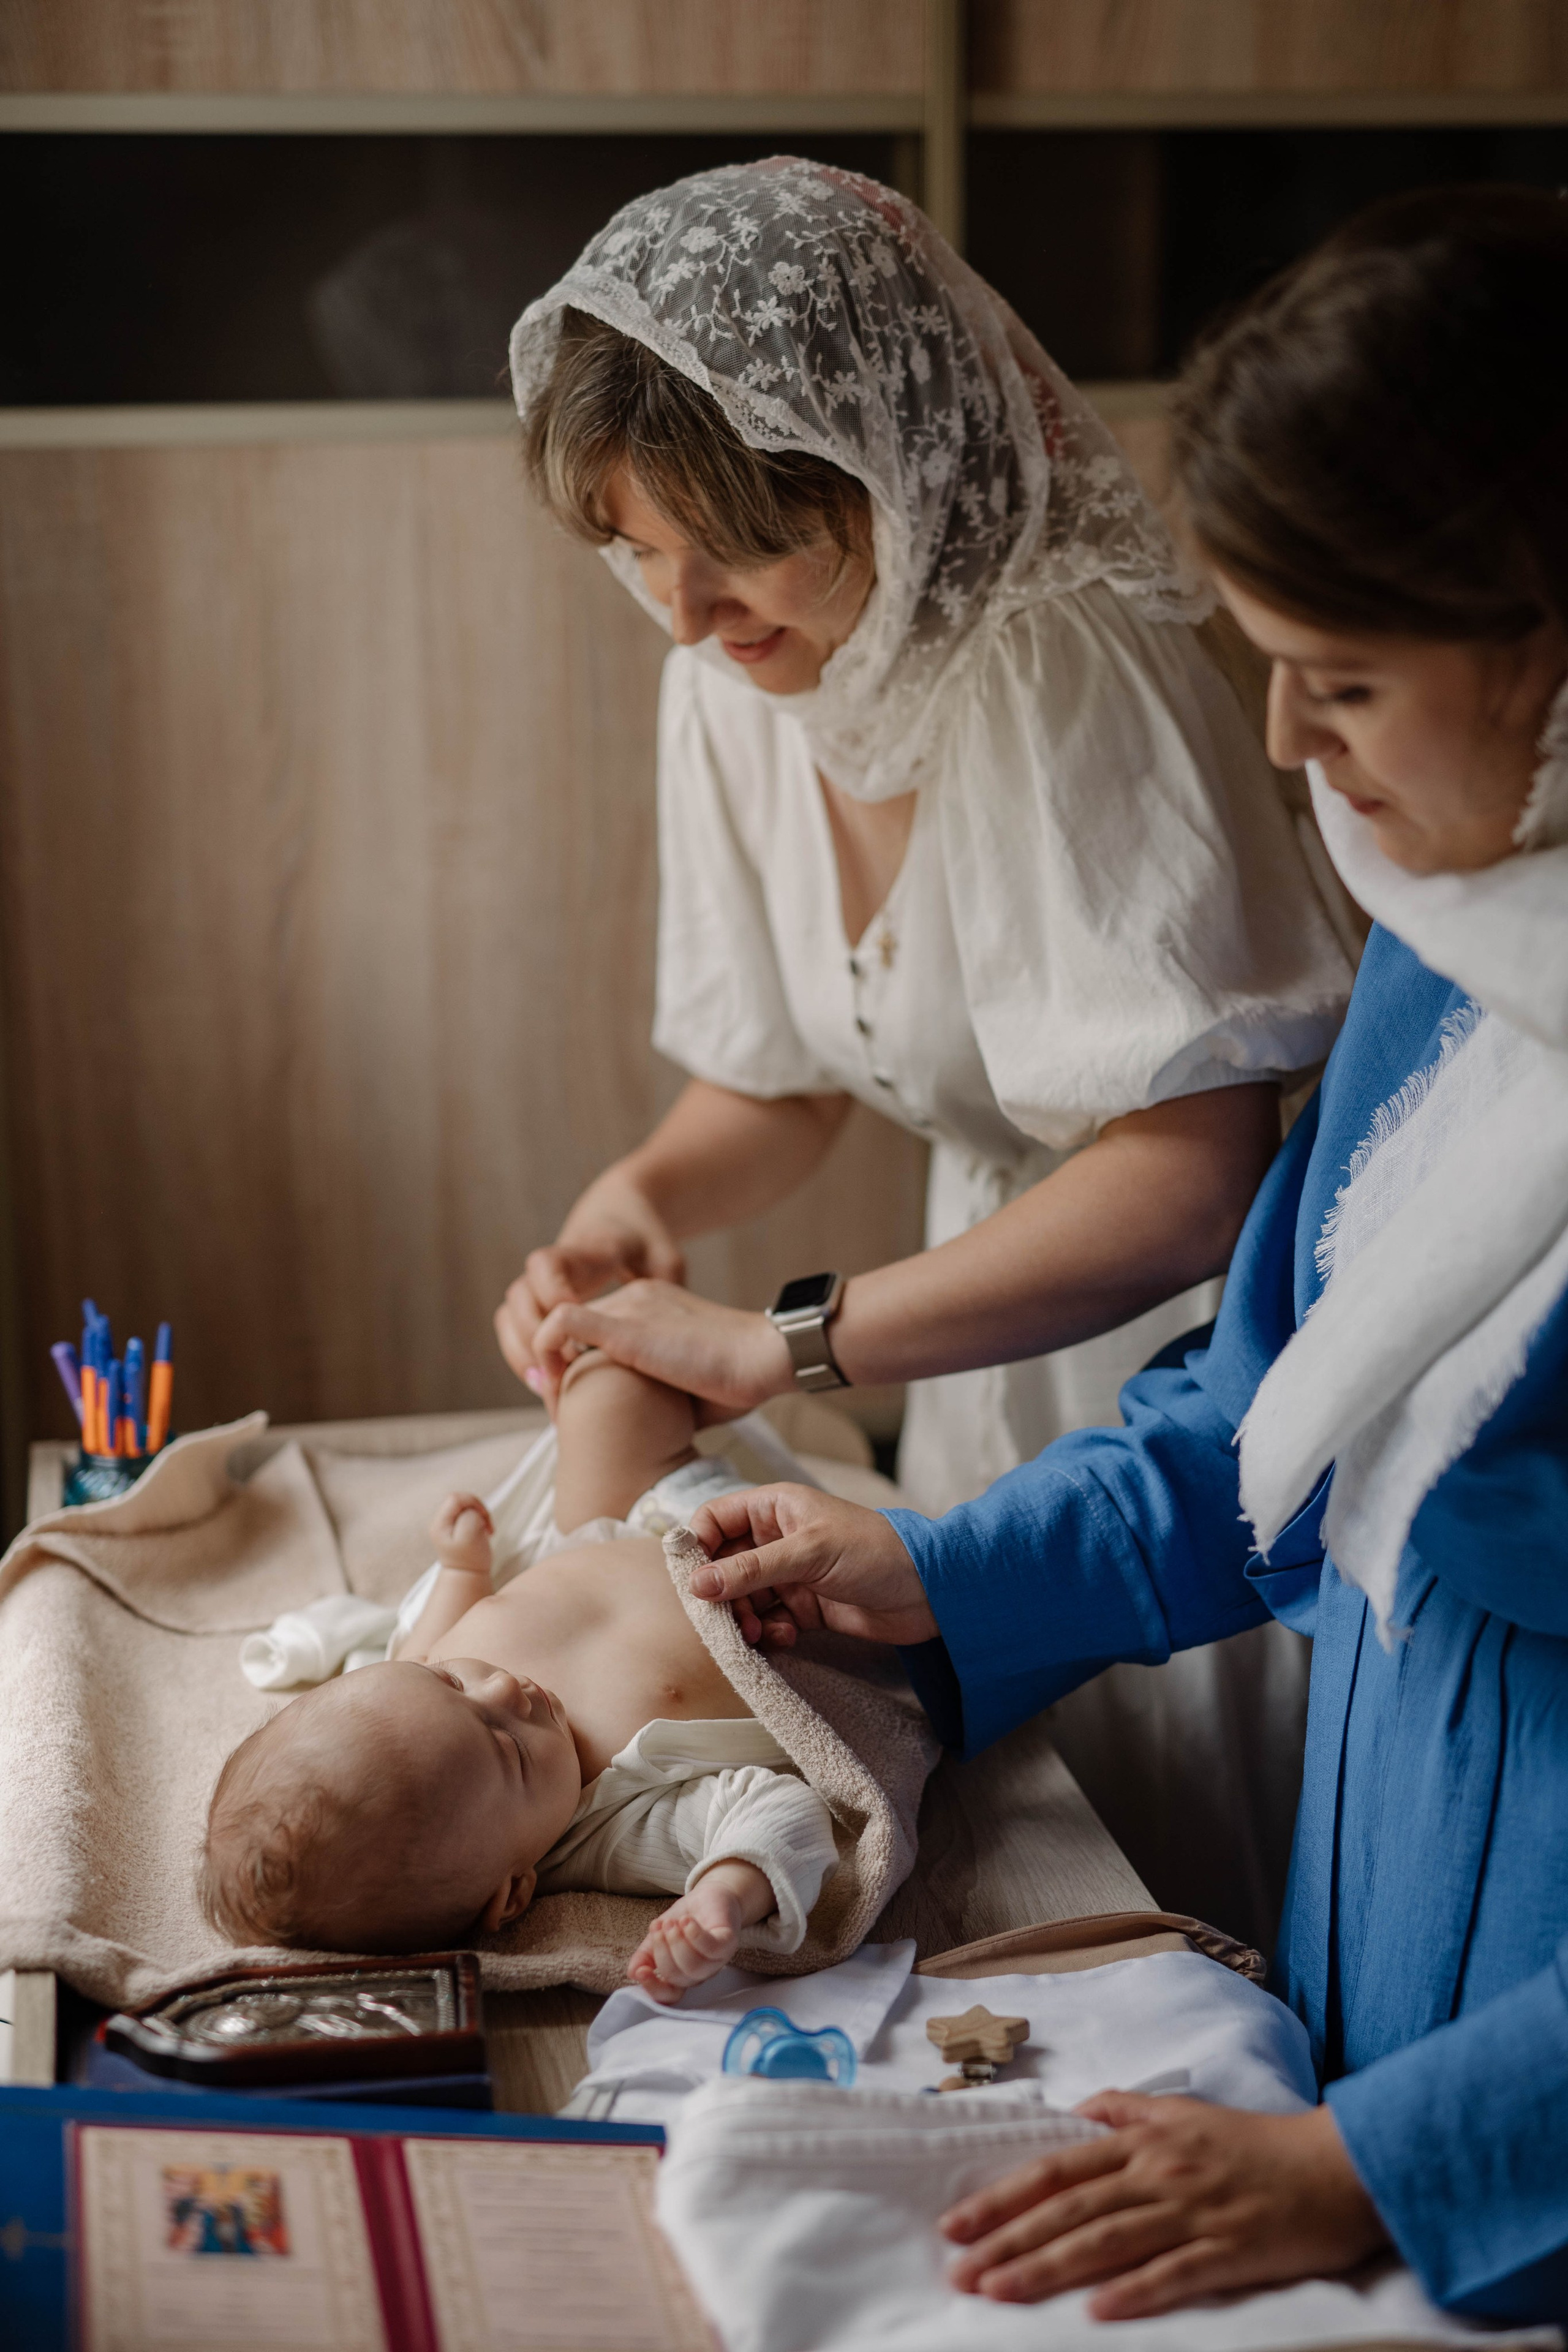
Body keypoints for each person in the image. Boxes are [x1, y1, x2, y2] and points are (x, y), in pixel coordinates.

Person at [682, 184, 1568, 2323]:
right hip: (1388, 1946)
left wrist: (1382, 2161)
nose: (1283, 746)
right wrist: (942, 1577)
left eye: (1341, 680)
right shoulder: (1458, 950)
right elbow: (1258, 1414)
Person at [498, 159, 1355, 1933]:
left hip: (1180, 1368)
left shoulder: (1065, 666)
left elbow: (1192, 1179)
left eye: (737, 543)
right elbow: (786, 1077)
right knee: (998, 1863)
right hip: (971, 1355)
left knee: (1173, 1878)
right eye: (635, 548)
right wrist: (637, 1204)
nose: (684, 610)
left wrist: (777, 1342)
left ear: (884, 469)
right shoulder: (730, 678)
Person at [198, 1352, 838, 2002]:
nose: (505, 1689)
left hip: (632, 1517)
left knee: (606, 1382)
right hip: (792, 1598)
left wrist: (462, 1568)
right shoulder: (604, 1832)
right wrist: (724, 1892)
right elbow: (779, 1813)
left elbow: (434, 1626)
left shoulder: (404, 1687)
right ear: (512, 1893)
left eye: (450, 1681)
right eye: (507, 1748)